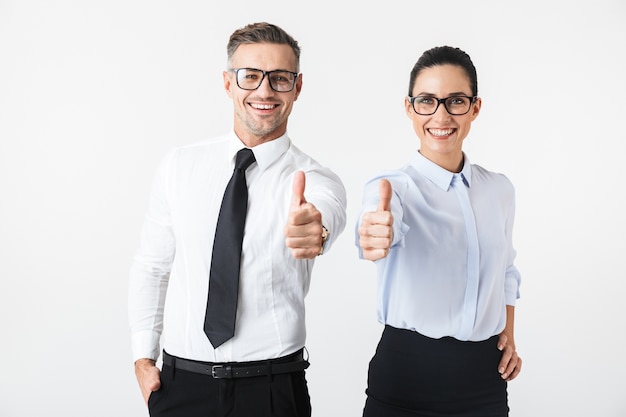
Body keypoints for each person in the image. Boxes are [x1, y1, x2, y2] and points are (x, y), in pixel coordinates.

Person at [128, 22, 347, 417]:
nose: (265, 91)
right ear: (228, 83)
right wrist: (143, 358)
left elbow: (324, 213)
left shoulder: (315, 179)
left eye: (280, 79)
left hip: (272, 389)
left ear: (297, 87)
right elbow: (153, 266)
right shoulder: (180, 166)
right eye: (251, 76)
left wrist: (315, 228)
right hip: (181, 387)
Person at [356, 45, 522, 417]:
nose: (441, 115)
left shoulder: (499, 190)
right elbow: (376, 227)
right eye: (427, 101)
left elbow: (506, 272)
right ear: (409, 108)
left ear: (475, 108)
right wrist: (374, 234)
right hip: (406, 376)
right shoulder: (392, 188)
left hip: (484, 378)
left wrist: (508, 333)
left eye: (456, 101)